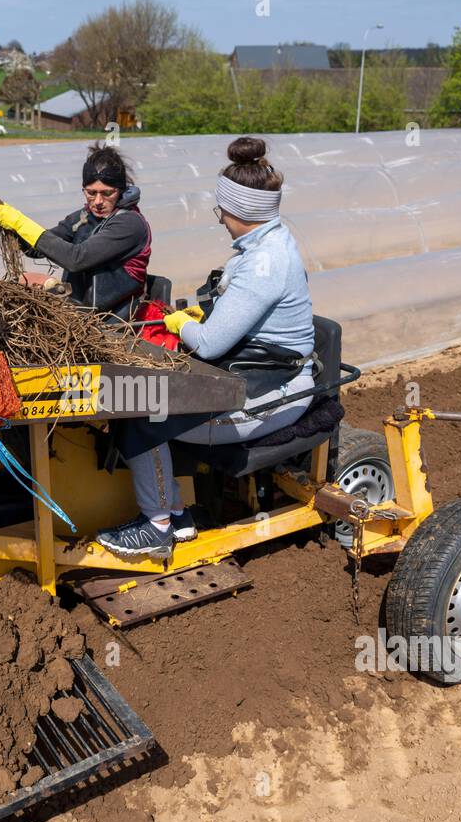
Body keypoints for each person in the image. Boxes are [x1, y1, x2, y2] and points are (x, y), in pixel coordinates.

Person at [95, 136, 317, 558]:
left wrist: (182, 324)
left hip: (272, 389)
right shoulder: (267, 242)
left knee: (141, 411)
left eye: (223, 212)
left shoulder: (265, 263)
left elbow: (212, 346)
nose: (220, 220)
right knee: (136, 399)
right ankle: (176, 515)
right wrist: (201, 318)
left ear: (242, 212)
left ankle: (156, 528)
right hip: (251, 371)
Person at [0, 144, 152, 321]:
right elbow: (35, 249)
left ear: (120, 190)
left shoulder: (130, 223)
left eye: (107, 193)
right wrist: (11, 225)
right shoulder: (82, 218)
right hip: (79, 314)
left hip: (115, 321)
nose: (98, 201)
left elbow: (77, 259)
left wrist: (20, 222)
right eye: (91, 193)